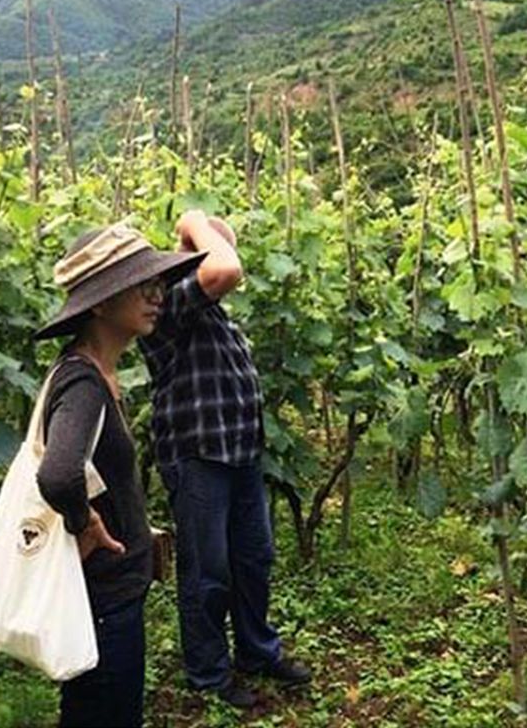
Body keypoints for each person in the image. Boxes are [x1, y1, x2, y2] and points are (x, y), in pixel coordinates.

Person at [139, 209, 312, 709]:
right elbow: (226, 269)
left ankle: (257, 652)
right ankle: (209, 674)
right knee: (207, 572)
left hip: (239, 456)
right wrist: (194, 218)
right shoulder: (171, 306)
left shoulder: (211, 314)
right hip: (198, 458)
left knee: (253, 559)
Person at [34, 223, 204, 728]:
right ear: (101, 304)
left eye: (157, 283)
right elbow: (60, 474)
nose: (157, 295)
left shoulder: (98, 374)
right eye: (140, 285)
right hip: (103, 598)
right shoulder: (84, 382)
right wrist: (87, 522)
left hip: (110, 594)